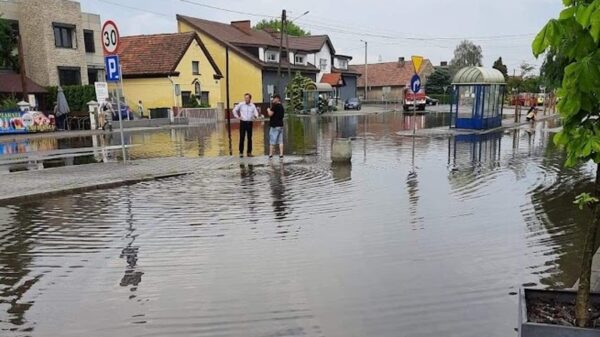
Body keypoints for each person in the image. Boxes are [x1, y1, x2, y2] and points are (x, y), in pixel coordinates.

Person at [233, 93, 260, 158]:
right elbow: (234, 110)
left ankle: (249, 152)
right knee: (242, 137)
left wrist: (255, 117)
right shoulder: (241, 104)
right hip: (243, 122)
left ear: (250, 98)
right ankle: (241, 152)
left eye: (247, 98)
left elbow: (256, 113)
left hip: (249, 123)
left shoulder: (252, 105)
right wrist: (238, 117)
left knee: (249, 138)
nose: (246, 99)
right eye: (245, 98)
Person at [267, 94, 285, 159]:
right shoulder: (282, 107)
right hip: (281, 126)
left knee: (272, 141)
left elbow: (270, 114)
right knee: (280, 141)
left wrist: (268, 110)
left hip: (274, 126)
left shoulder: (275, 106)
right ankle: (281, 154)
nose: (273, 100)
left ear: (277, 99)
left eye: (274, 98)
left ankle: (270, 154)